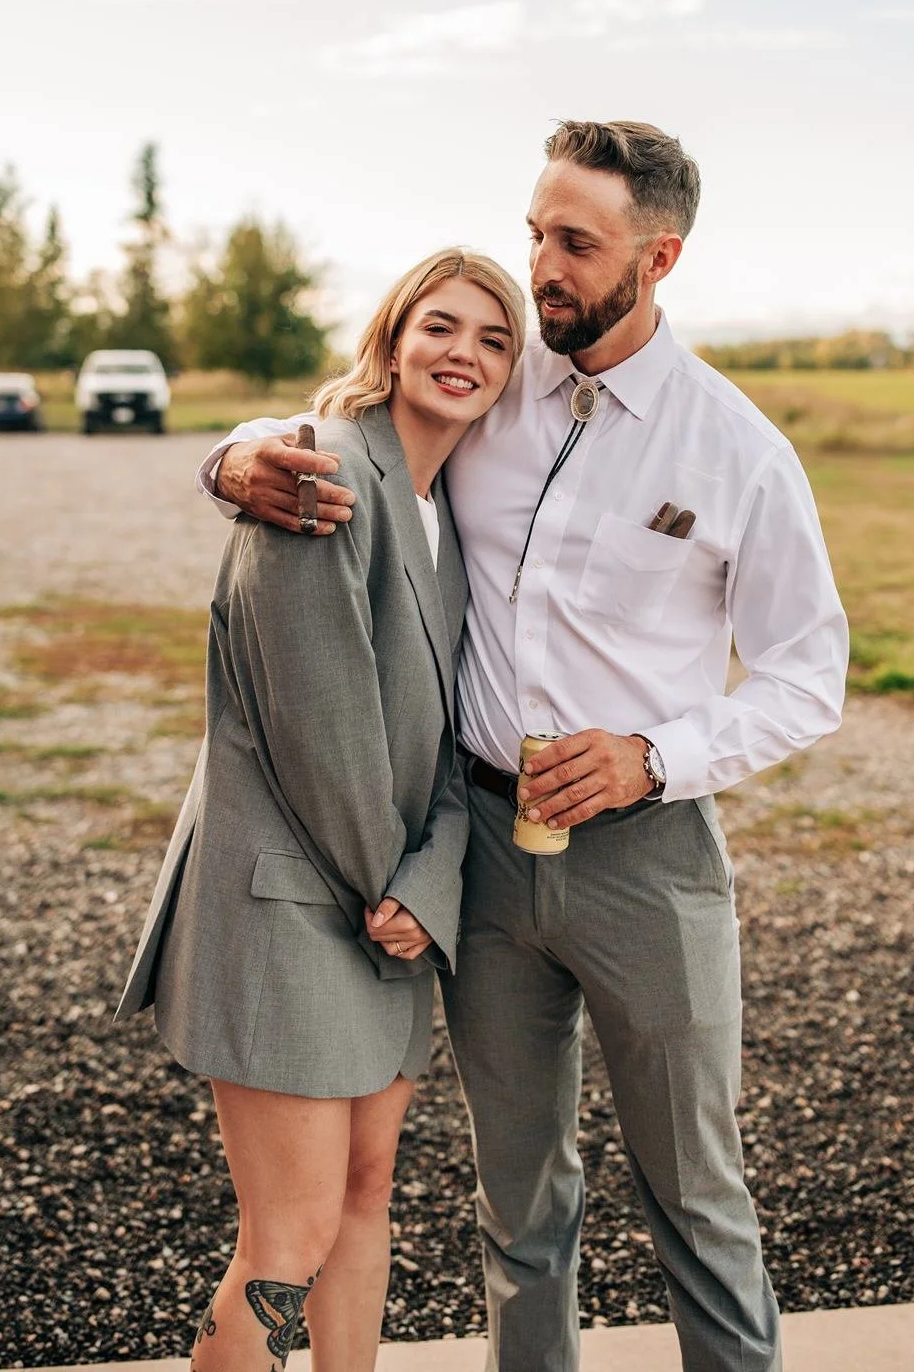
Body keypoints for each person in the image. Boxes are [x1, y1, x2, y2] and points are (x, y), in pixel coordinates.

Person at [199, 121, 849, 1372]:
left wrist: (652, 755)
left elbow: (806, 678)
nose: (541, 267)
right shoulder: (498, 390)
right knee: (521, 1203)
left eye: (575, 243)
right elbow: (345, 432)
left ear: (658, 258)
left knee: (699, 1199)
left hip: (648, 859)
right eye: (537, 232)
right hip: (485, 858)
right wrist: (228, 462)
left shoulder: (738, 452)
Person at [117, 246, 527, 1372]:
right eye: (441, 326)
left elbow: (454, 737)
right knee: (286, 1234)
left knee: (363, 1197)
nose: (466, 354)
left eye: (495, 340)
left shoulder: (446, 516)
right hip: (291, 900)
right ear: (393, 339)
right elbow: (318, 735)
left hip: (386, 904)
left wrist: (431, 881)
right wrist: (399, 885)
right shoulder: (319, 470)